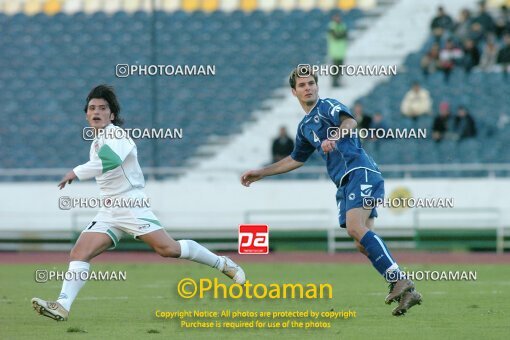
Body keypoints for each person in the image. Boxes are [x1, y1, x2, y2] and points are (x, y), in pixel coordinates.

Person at [31, 85, 246, 321]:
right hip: (109, 209)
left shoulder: (116, 135)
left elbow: (110, 161)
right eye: (92, 108)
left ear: (111, 115)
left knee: (168, 249)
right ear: (86, 114)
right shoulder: (97, 141)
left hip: (130, 205)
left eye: (103, 108)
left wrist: (76, 171)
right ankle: (62, 305)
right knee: (79, 252)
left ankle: (223, 263)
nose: (97, 112)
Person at [240, 69, 422, 317]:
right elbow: (295, 159)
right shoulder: (304, 127)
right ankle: (406, 290)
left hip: (360, 171)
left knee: (355, 227)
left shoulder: (327, 106)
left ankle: (400, 280)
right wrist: (262, 172)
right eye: (302, 85)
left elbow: (350, 122)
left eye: (312, 83)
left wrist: (334, 136)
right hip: (345, 182)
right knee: (361, 242)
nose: (308, 88)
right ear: (294, 92)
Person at [327, 14, 348, 87]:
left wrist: (341, 35)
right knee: (335, 67)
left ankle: (338, 81)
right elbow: (337, 36)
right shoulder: (332, 26)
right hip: (335, 51)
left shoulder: (342, 26)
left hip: (341, 51)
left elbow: (344, 35)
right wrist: (341, 35)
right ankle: (334, 82)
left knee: (340, 67)